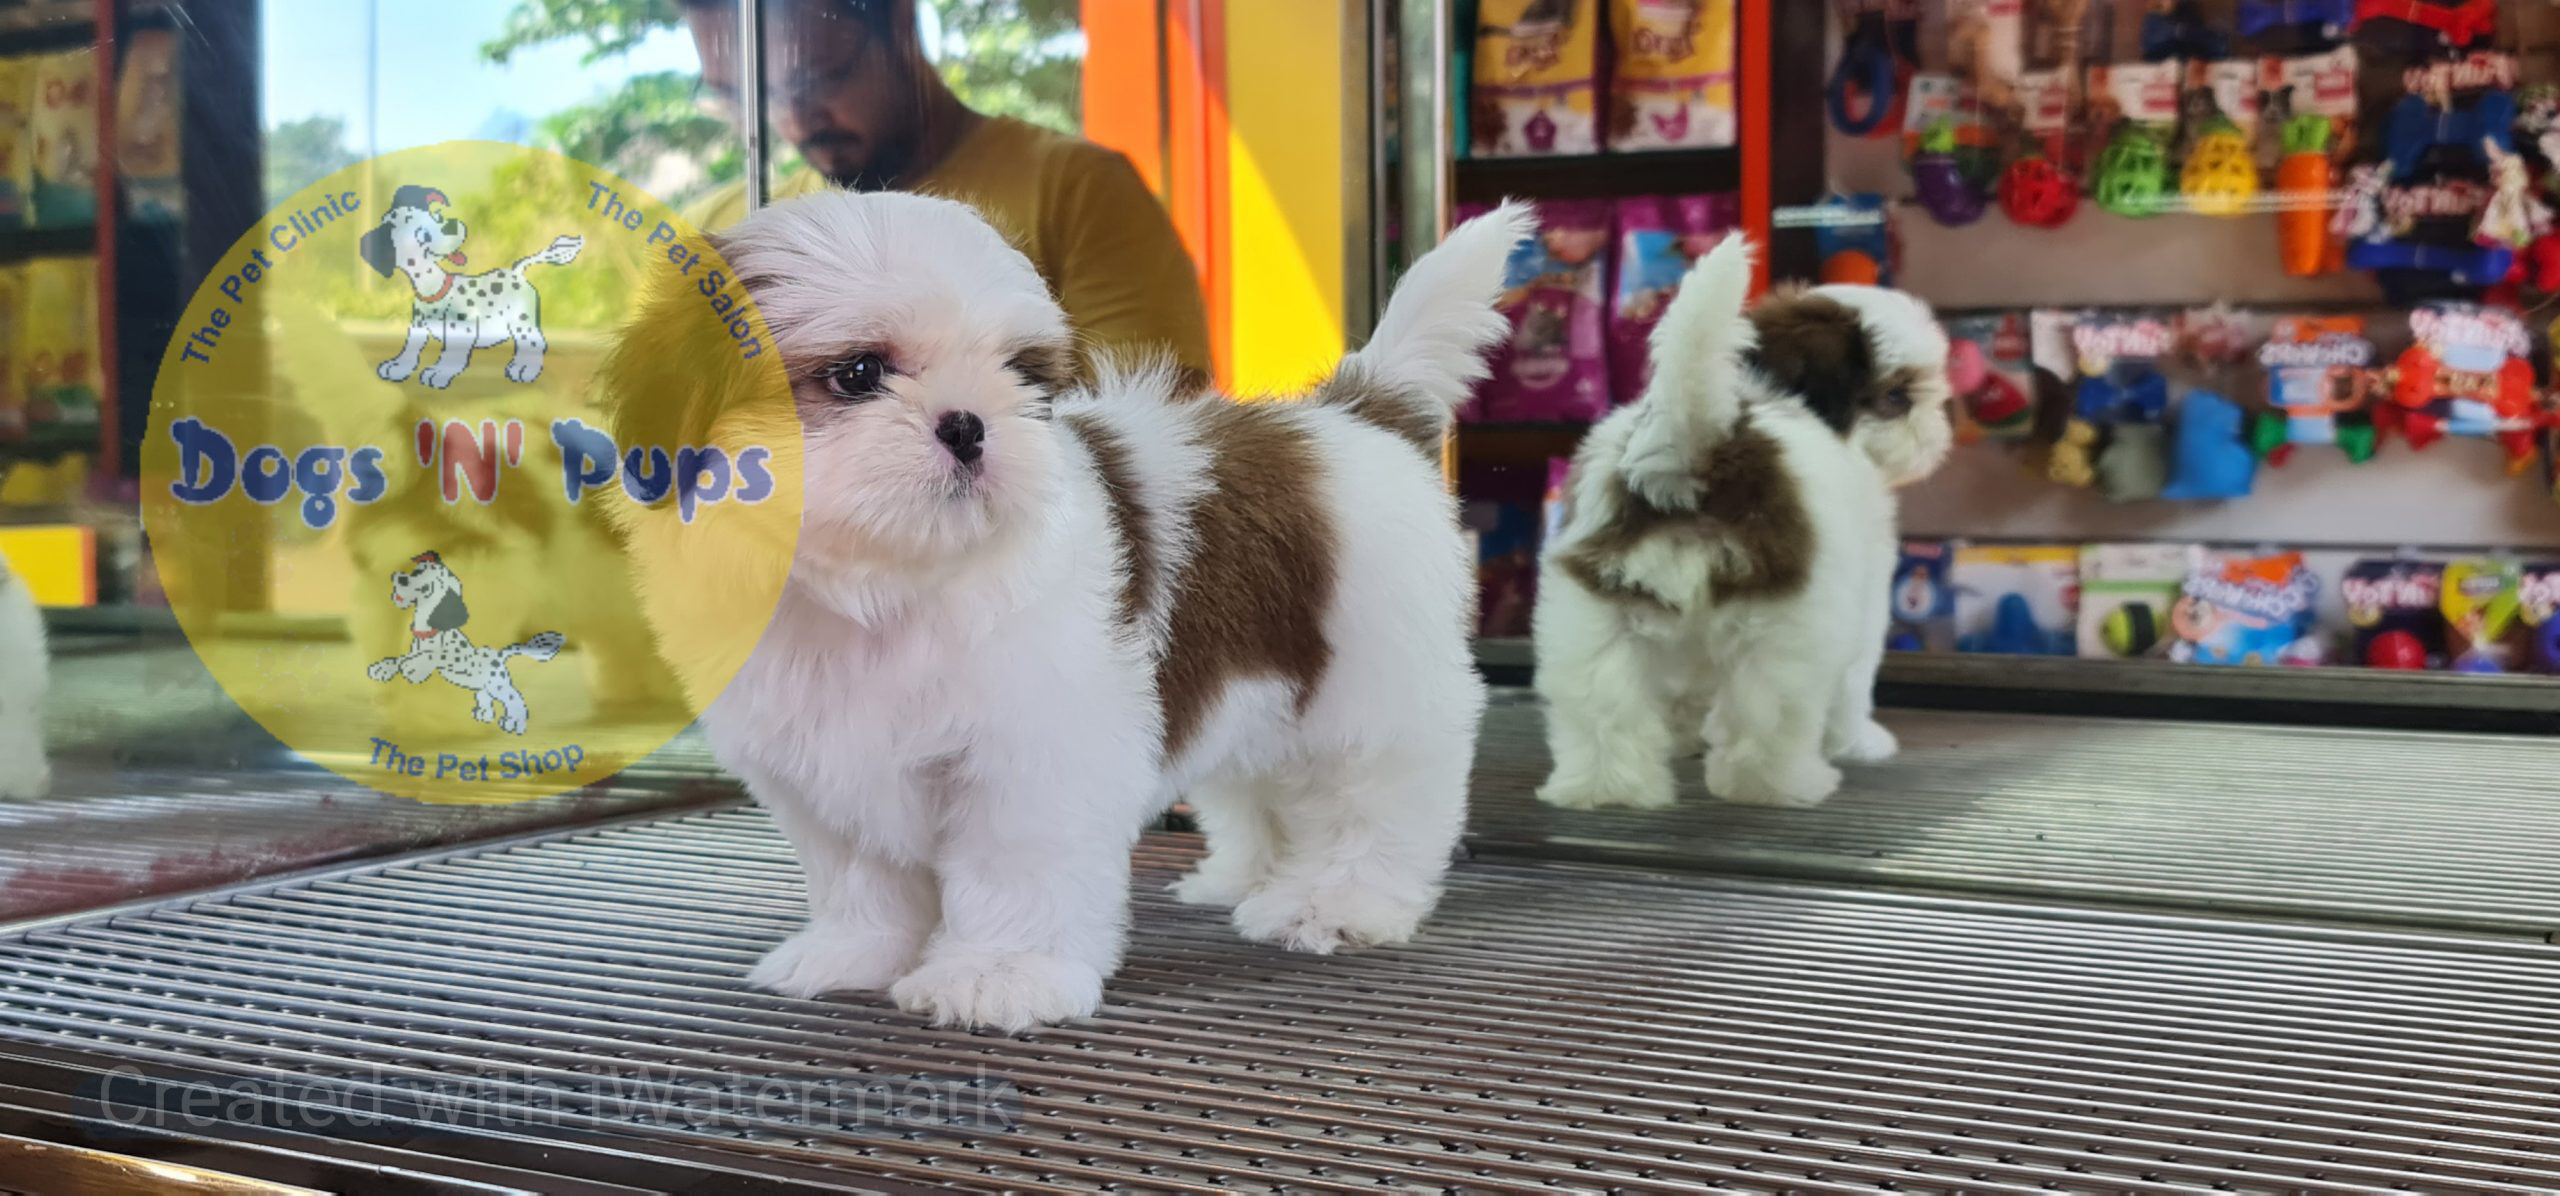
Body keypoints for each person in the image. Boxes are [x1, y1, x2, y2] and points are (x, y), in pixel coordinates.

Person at [682, 0, 1213, 378]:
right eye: (753, 95)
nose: (794, 120)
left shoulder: (1078, 190)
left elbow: (1158, 442)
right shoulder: (754, 226)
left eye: (820, 77)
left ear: (900, 18)